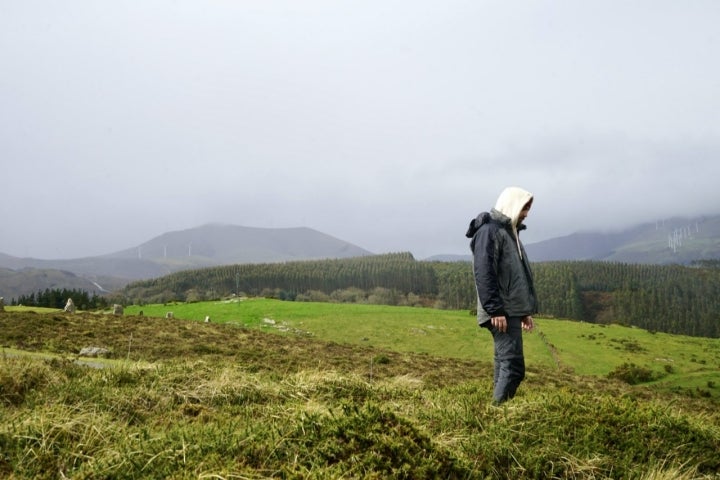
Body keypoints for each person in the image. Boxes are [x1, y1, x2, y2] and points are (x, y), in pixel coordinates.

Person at [465, 186, 538, 404]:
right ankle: (496, 414)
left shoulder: (509, 232)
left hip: (509, 311)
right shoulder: (490, 231)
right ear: (512, 204)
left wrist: (523, 311)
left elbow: (514, 277)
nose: (526, 213)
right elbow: (484, 272)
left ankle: (494, 413)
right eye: (524, 207)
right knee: (514, 368)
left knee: (504, 364)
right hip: (500, 312)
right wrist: (495, 308)